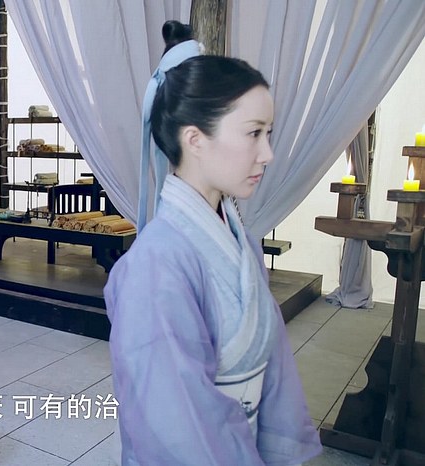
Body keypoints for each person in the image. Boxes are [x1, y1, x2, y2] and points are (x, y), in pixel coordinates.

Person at [104, 21, 323, 465]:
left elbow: (274, 369)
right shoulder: (156, 265)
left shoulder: (239, 238)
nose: (267, 153)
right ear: (195, 139)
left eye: (268, 133)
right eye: (253, 133)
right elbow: (178, 425)